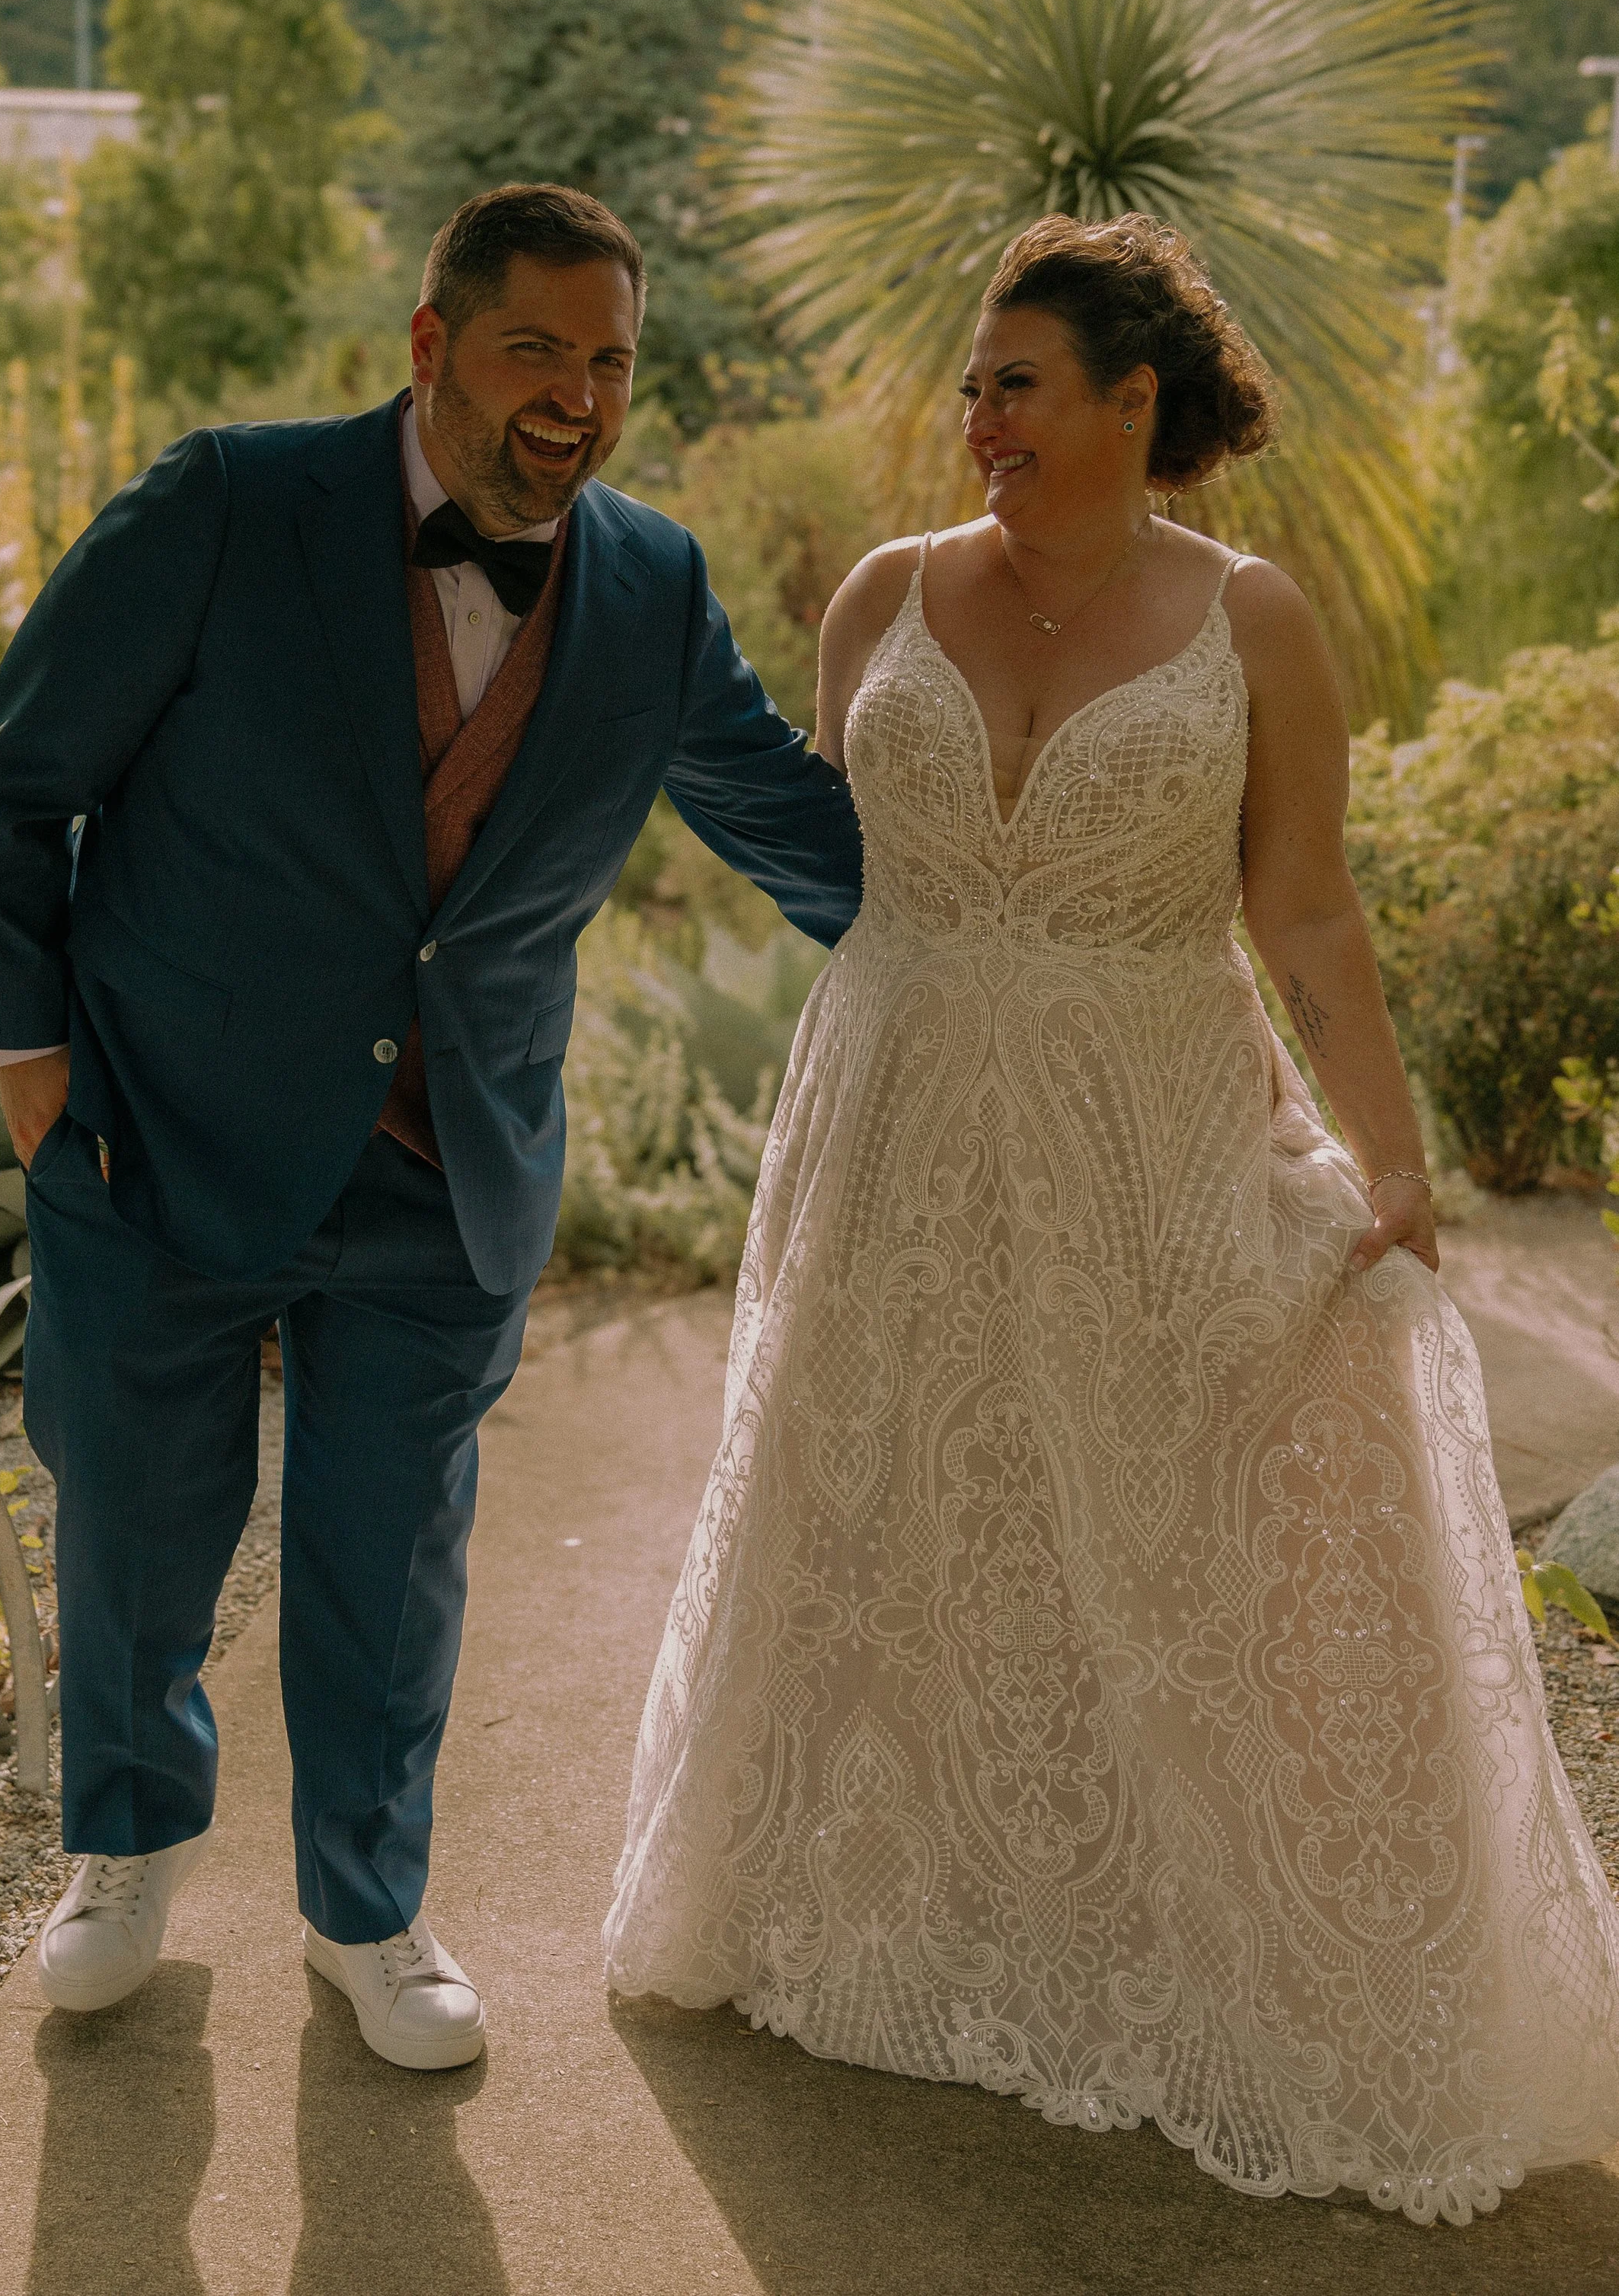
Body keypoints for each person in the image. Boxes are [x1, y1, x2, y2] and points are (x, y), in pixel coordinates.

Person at [605, 211, 1619, 2223]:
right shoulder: (884, 593)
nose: (975, 420)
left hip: (1141, 1128)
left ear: (1130, 399)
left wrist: (1390, 1158)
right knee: (891, 1490)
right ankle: (903, 1904)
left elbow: (1302, 907)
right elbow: (853, 867)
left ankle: (1159, 1941)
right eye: (969, 386)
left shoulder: (1253, 621)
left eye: (1016, 385)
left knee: (1146, 1515)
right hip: (895, 1119)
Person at [0, 181, 862, 2068]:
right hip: (157, 1134)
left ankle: (366, 1912)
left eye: (609, 362)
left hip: (446, 1168)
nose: (576, 397)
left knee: (391, 1563)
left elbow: (787, 820)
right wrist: (34, 1067)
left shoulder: (650, 586)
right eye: (535, 349)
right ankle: (124, 1849)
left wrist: (1041, 910)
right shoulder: (229, 502)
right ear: (432, 342)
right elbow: (21, 779)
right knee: (138, 1525)